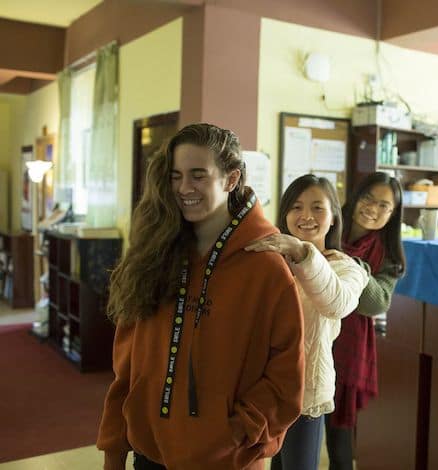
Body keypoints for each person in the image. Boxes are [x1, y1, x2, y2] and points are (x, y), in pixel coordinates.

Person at [96, 123, 305, 470]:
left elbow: (286, 375)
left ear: (231, 179)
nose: (183, 188)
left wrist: (237, 432)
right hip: (149, 456)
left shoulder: (266, 268)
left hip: (228, 460)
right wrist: (114, 449)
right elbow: (127, 365)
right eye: (176, 176)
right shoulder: (155, 255)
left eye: (198, 175)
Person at [245, 174, 368, 470]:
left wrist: (301, 253)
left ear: (334, 218)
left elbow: (336, 302)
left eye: (317, 208)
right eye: (296, 207)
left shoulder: (346, 267)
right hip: (264, 388)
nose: (306, 216)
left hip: (306, 392)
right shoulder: (271, 262)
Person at [325, 172, 406, 470]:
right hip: (309, 341)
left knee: (340, 444)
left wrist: (351, 266)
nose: (372, 208)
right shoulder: (327, 227)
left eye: (383, 205)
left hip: (348, 352)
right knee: (293, 438)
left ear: (393, 213)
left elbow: (375, 303)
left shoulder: (389, 255)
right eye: (368, 198)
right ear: (356, 196)